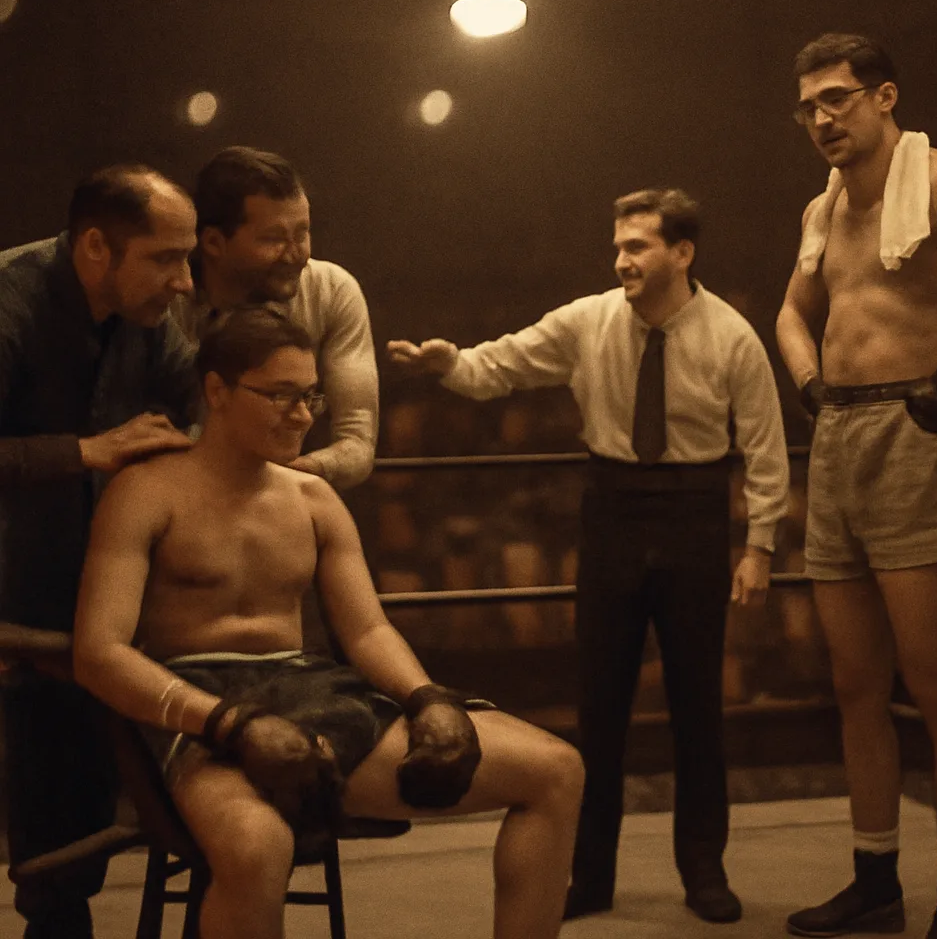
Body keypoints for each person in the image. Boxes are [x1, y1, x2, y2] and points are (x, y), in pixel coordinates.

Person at [72, 306, 584, 939]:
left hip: (312, 694)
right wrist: (230, 722)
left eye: (310, 394)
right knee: (258, 847)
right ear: (216, 391)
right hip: (193, 705)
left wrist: (427, 698)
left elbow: (367, 631)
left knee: (557, 770)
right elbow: (99, 653)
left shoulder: (312, 498)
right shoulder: (146, 492)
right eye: (281, 395)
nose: (304, 414)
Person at [388, 188, 790, 924]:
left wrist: (758, 547)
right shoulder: (587, 319)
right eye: (617, 246)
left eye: (637, 246)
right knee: (598, 704)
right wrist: (449, 362)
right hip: (610, 507)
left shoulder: (732, 335)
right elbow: (501, 366)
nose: (621, 259)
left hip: (696, 510)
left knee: (698, 703)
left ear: (681, 253)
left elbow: (765, 448)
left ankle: (704, 869)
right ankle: (590, 875)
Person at [777, 32, 937, 939]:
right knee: (853, 684)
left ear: (885, 97)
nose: (821, 118)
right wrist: (805, 379)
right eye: (808, 105)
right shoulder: (824, 208)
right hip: (838, 437)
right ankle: (875, 877)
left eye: (837, 98)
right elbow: (792, 309)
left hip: (922, 433)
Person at [0, 164, 197, 938]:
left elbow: (197, 403)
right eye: (166, 258)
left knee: (91, 782)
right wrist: (83, 451)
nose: (184, 281)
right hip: (19, 580)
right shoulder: (12, 302)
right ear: (94, 247)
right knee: (46, 787)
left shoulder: (146, 318)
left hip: (104, 581)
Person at [174, 146, 377, 490]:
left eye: (302, 233)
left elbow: (358, 441)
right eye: (273, 239)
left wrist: (294, 477)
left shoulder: (331, 290)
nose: (295, 254)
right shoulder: (168, 297)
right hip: (177, 492)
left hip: (294, 500)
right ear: (212, 242)